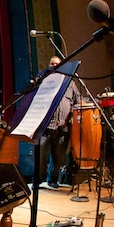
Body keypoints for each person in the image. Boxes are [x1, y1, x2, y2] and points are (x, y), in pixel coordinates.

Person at [36, 56, 79, 189]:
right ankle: (38, 181)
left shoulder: (70, 82)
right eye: (52, 63)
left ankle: (52, 180)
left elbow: (77, 98)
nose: (54, 66)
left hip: (63, 127)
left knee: (58, 157)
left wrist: (73, 110)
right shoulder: (45, 80)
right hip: (47, 126)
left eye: (57, 64)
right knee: (41, 156)